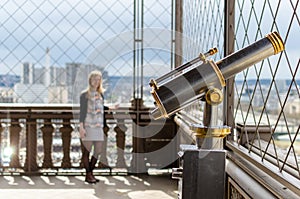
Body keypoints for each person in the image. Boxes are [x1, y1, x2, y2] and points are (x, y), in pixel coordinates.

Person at [79, 70, 108, 184]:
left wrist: (111, 108)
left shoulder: (100, 94)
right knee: (86, 152)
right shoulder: (84, 95)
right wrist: (81, 127)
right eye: (94, 79)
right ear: (90, 80)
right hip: (88, 125)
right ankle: (88, 174)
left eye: (99, 79)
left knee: (98, 151)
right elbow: (82, 112)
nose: (96, 81)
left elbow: (100, 107)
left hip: (98, 126)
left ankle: (90, 173)